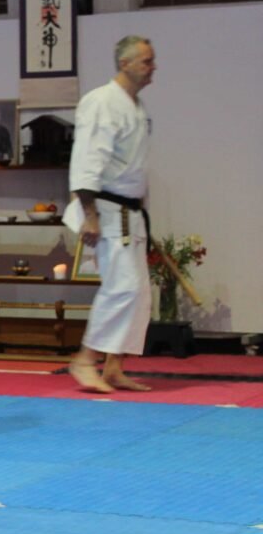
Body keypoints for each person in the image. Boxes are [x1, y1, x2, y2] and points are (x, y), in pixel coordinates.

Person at [65, 35, 156, 394]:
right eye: (147, 61)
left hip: (129, 209)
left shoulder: (136, 106)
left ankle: (114, 366)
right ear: (125, 64)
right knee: (122, 286)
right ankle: (85, 359)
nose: (153, 67)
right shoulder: (101, 102)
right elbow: (87, 160)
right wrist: (89, 213)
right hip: (106, 207)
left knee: (139, 292)